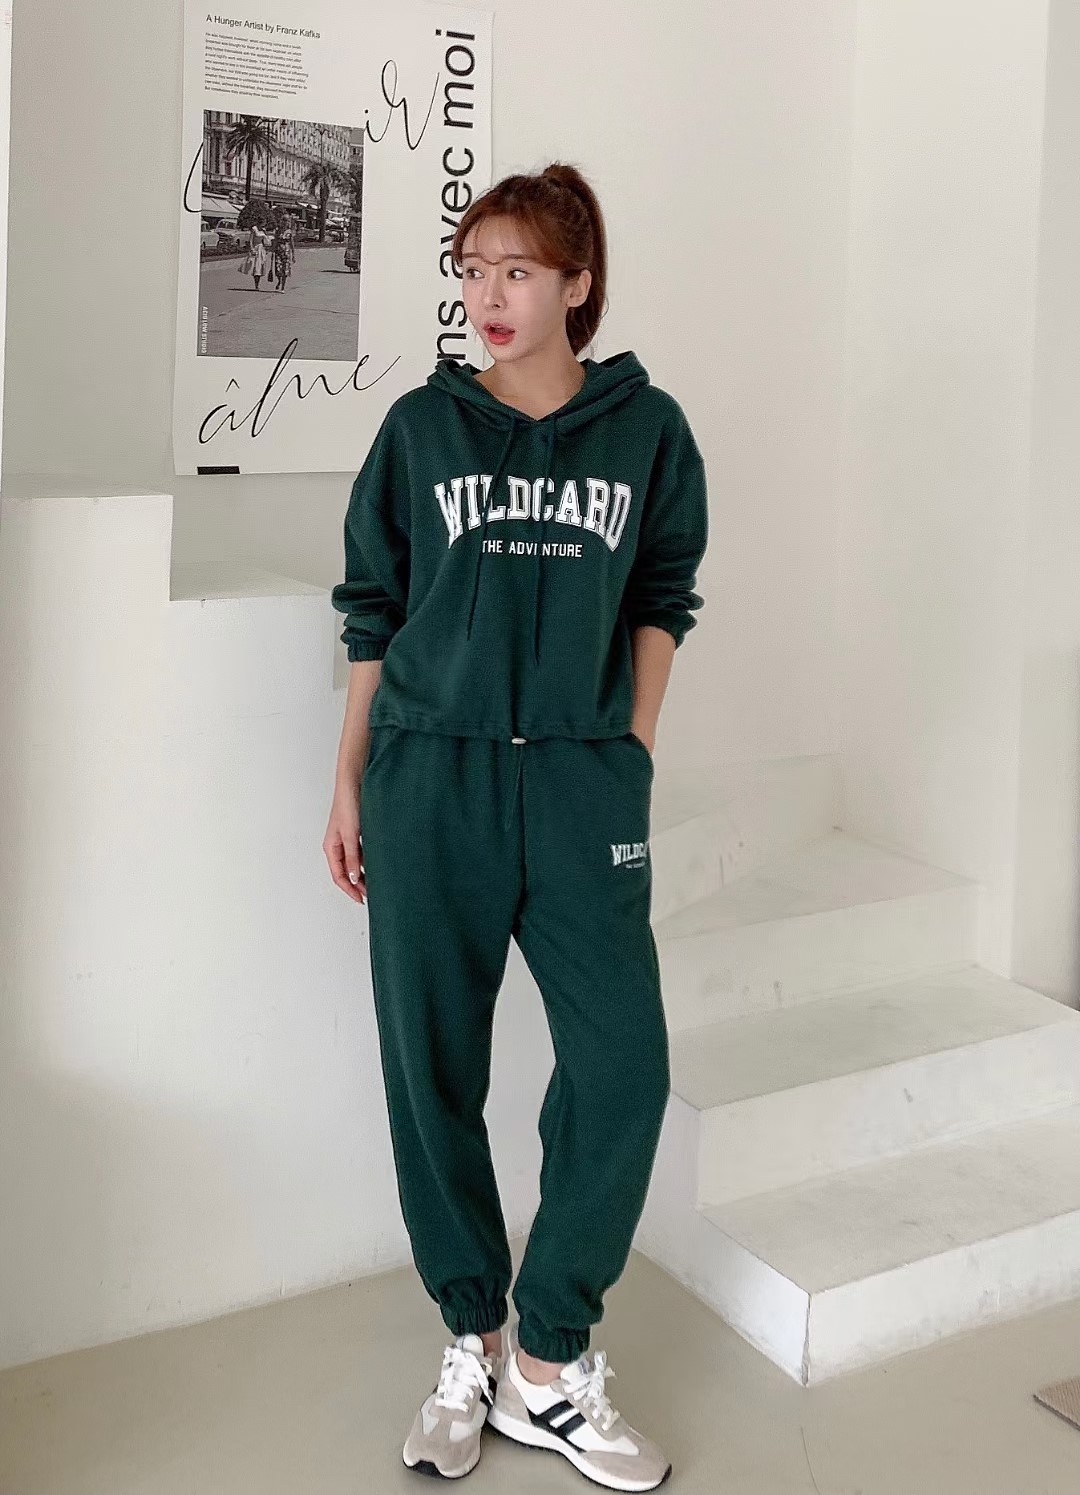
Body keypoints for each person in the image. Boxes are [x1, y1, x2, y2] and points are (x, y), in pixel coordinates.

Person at [326, 161, 708, 1489]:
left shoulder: (646, 431)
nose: (489, 295)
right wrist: (348, 779)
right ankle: (471, 1338)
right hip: (429, 778)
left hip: (582, 787)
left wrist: (630, 746)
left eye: (519, 271)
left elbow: (662, 594)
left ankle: (550, 1360)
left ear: (577, 282)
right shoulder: (421, 431)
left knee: (622, 1066)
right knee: (431, 1065)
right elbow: (373, 611)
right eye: (474, 269)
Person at [271, 216, 295, 291]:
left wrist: (293, 254)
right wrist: (272, 251)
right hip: (278, 251)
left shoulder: (289, 232)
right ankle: (279, 280)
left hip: (286, 252)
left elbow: (292, 243)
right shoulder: (278, 230)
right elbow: (275, 241)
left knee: (285, 269)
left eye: (287, 220)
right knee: (278, 269)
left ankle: (283, 287)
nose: (285, 222)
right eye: (284, 220)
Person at [248, 220, 270, 290]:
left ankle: (258, 283)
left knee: (260, 267)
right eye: (262, 224)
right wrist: (252, 249)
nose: (263, 226)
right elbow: (251, 240)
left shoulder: (263, 230)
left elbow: (265, 240)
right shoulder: (254, 229)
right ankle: (256, 284)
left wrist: (266, 248)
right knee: (256, 267)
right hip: (256, 248)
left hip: (261, 249)